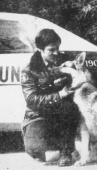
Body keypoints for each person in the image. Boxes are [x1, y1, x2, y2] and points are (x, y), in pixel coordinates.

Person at [21, 29, 80, 167]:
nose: (56, 53)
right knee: (36, 150)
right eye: (51, 50)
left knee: (69, 107)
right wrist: (59, 94)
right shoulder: (29, 70)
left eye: (58, 48)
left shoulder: (65, 60)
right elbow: (32, 100)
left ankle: (66, 152)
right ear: (40, 49)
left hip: (62, 113)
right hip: (39, 115)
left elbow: (85, 70)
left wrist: (75, 67)